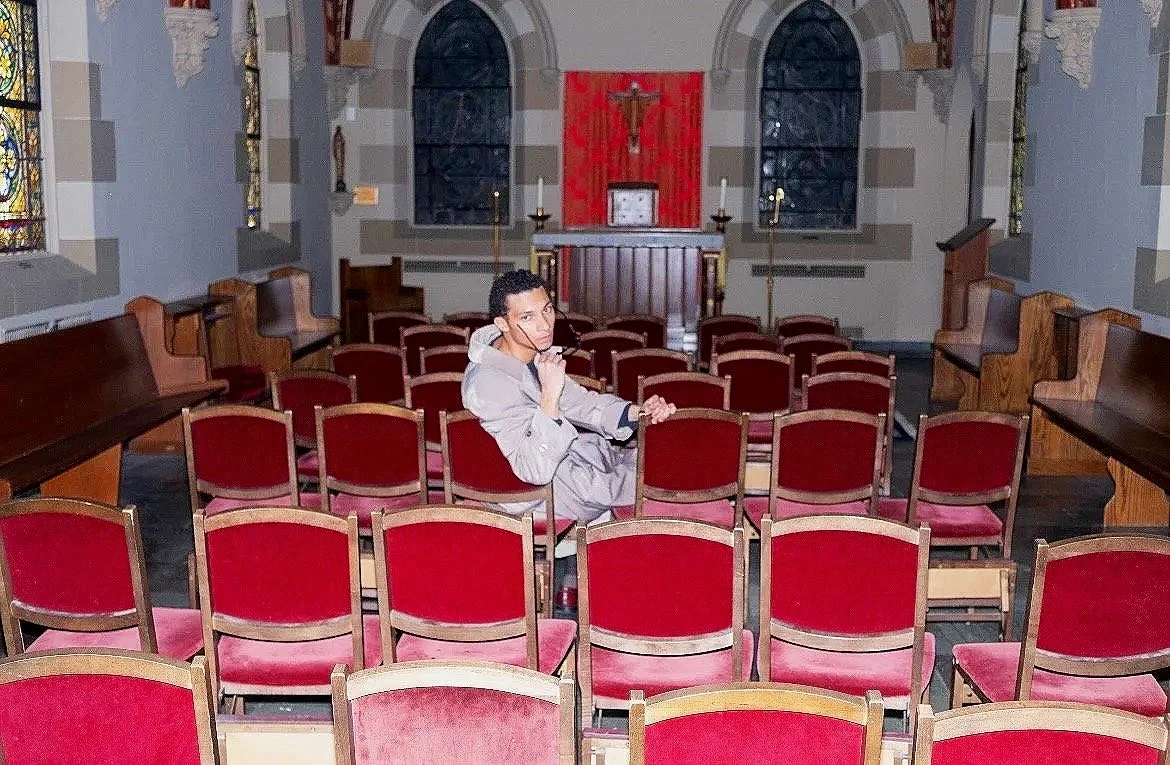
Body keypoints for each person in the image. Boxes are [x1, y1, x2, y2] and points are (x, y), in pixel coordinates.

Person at [462, 270, 675, 524]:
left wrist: (638, 412)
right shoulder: (489, 385)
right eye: (528, 317)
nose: (544, 325)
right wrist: (550, 397)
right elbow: (534, 469)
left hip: (564, 470)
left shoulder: (526, 353)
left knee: (659, 459)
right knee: (658, 479)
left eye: (547, 310)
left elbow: (582, 403)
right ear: (502, 324)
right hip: (537, 495)